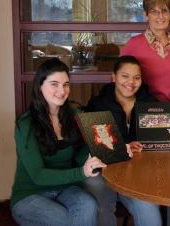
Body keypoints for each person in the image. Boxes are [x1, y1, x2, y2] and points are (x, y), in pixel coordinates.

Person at [83, 55, 170, 226]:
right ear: (113, 77)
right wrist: (123, 147)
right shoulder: (97, 104)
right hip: (103, 171)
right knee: (102, 210)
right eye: (125, 76)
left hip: (139, 173)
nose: (131, 82)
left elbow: (167, 137)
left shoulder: (151, 103)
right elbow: (91, 144)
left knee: (150, 213)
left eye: (136, 77)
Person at [10, 58, 104, 225]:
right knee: (67, 220)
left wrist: (111, 148)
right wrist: (81, 172)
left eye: (66, 84)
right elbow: (38, 175)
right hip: (30, 195)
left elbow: (82, 153)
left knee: (90, 205)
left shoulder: (75, 114)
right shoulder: (26, 124)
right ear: (40, 86)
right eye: (54, 84)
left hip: (66, 189)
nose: (62, 90)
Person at [120, 0, 170, 111]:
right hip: (144, 110)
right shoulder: (134, 43)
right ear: (146, 15)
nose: (160, 16)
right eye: (154, 12)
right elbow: (118, 77)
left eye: (164, 11)